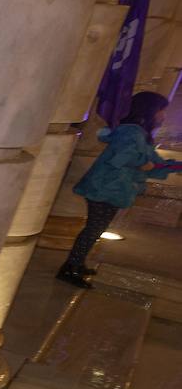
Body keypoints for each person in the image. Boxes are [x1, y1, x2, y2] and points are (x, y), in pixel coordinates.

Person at [58, 92, 180, 288]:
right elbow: (123, 158)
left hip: (111, 188)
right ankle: (70, 267)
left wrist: (175, 166)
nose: (163, 116)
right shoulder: (132, 132)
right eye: (161, 110)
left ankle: (76, 263)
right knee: (93, 229)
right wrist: (144, 163)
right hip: (104, 187)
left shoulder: (138, 133)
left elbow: (154, 162)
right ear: (149, 111)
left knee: (96, 229)